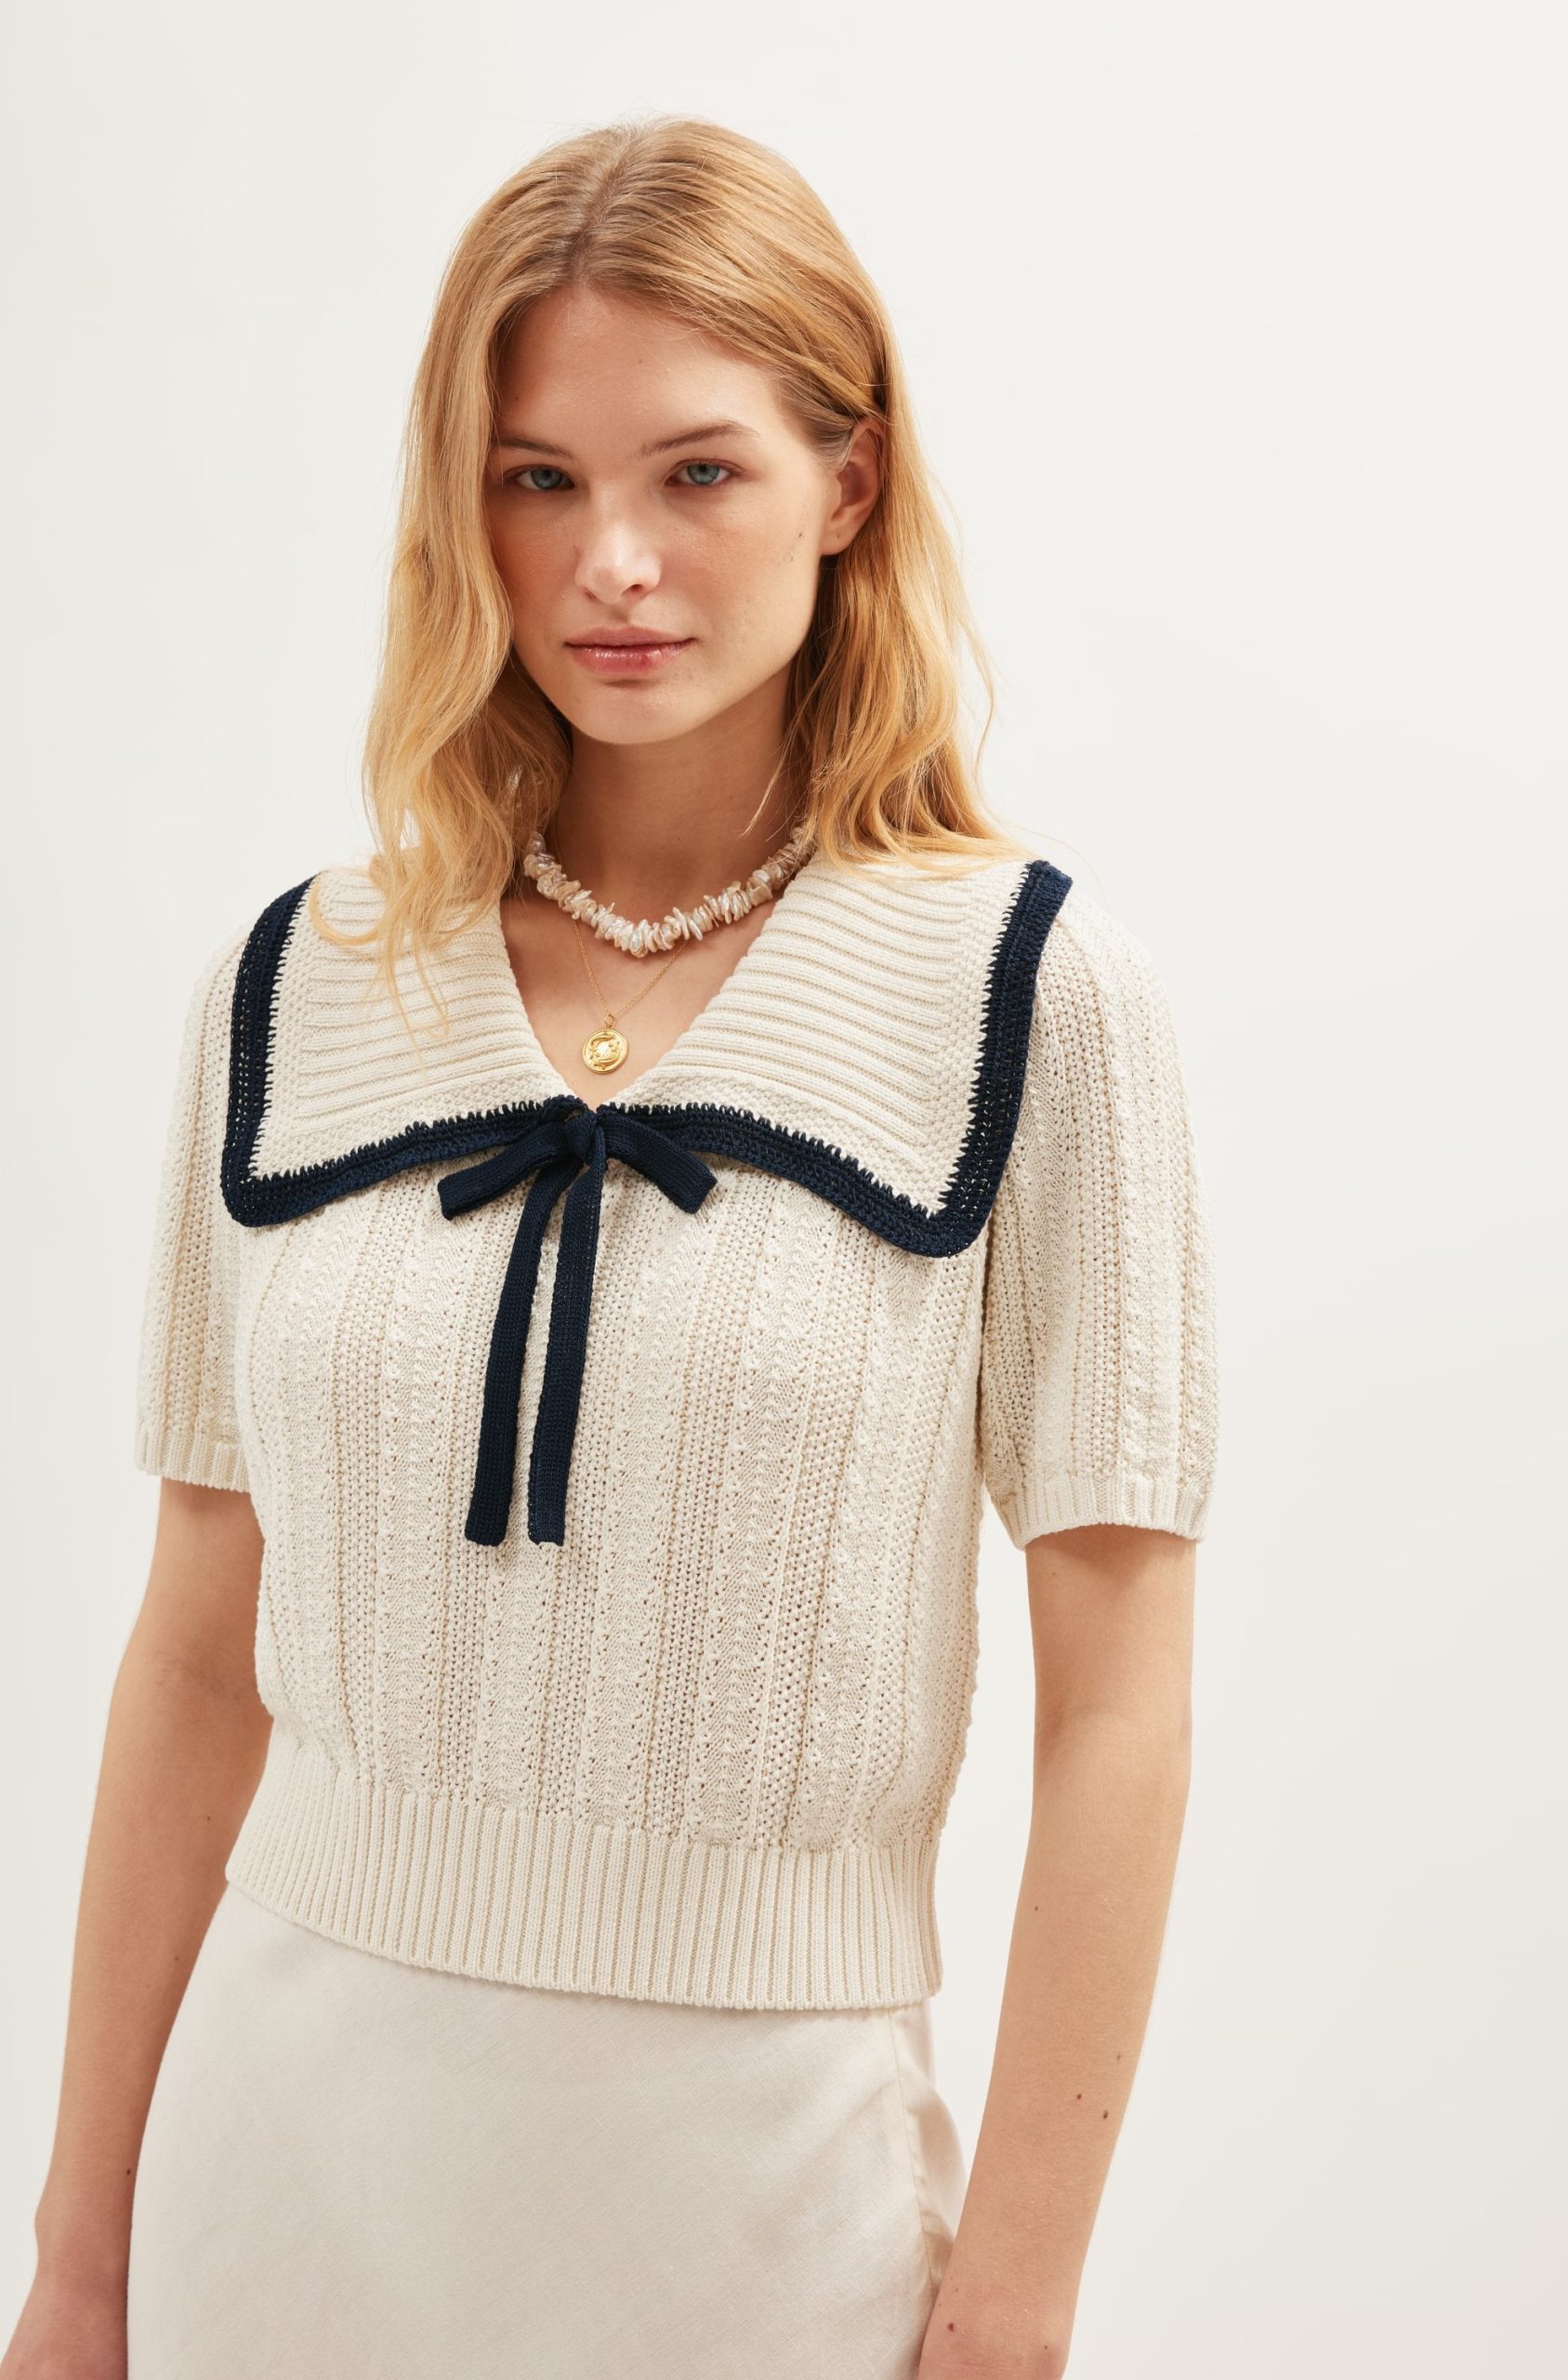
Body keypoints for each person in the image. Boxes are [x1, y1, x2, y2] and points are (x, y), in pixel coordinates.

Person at [6, 114, 1219, 2380]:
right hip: (273, 2184)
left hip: (768, 2208)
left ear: (849, 480)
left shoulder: (1031, 996)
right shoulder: (293, 987)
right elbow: (191, 1654)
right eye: (537, 478)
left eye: (699, 472)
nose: (613, 564)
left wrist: (1014, 2298)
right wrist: (80, 2257)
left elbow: (1120, 1700)